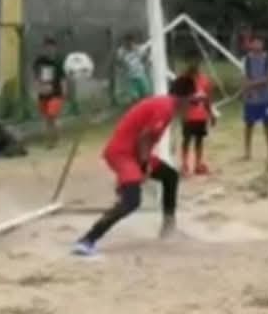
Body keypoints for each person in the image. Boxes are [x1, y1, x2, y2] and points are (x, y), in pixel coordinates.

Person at [73, 76, 196, 257]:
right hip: (123, 153)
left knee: (170, 176)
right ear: (184, 98)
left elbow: (143, 138)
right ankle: (87, 240)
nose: (193, 107)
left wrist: (143, 164)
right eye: (193, 102)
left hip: (134, 152)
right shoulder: (165, 108)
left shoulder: (164, 104)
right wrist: (144, 166)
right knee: (131, 201)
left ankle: (168, 228)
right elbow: (144, 138)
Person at [240, 36, 268, 167]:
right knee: (249, 125)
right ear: (251, 44)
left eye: (259, 42)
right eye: (254, 43)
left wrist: (251, 84)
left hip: (267, 99)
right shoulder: (245, 60)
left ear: (262, 44)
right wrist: (248, 87)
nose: (257, 45)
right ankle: (247, 152)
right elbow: (244, 78)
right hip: (251, 99)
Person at [179, 61, 215, 176]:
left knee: (199, 140)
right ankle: (184, 165)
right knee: (186, 140)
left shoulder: (205, 80)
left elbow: (208, 100)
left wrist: (211, 114)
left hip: (200, 116)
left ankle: (197, 165)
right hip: (188, 116)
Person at [32, 37, 66, 147]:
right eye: (46, 47)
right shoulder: (39, 61)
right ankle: (49, 141)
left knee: (53, 116)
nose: (49, 50)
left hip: (56, 94)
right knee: (46, 118)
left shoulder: (59, 62)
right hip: (43, 94)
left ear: (55, 48)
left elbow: (63, 79)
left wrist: (64, 93)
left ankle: (58, 139)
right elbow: (36, 77)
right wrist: (38, 88)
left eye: (51, 47)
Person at [116, 33, 151, 104]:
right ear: (124, 42)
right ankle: (137, 106)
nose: (129, 44)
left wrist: (146, 56)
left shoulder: (138, 49)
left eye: (130, 42)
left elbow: (145, 59)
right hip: (130, 77)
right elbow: (119, 63)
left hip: (140, 74)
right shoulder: (121, 51)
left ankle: (146, 106)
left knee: (146, 94)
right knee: (135, 97)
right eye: (126, 42)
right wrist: (122, 66)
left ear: (133, 42)